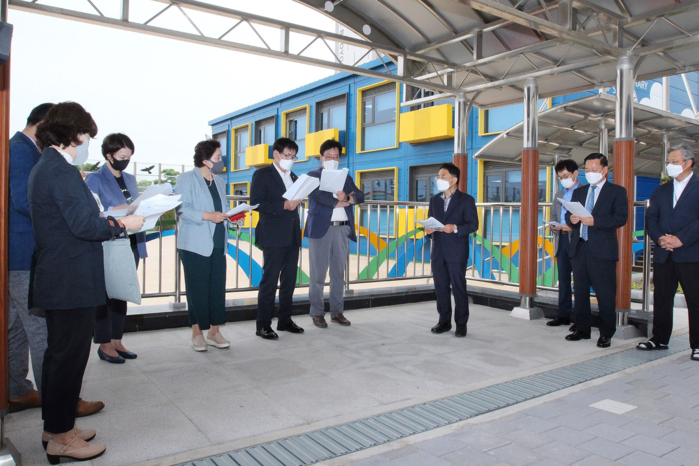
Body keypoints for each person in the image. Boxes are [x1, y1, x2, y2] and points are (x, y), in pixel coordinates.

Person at [29, 102, 144, 463]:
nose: (87, 142)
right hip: (69, 278)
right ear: (74, 134)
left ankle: (57, 428)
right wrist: (122, 224)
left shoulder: (48, 166)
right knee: (67, 360)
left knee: (61, 357)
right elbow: (83, 225)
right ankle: (62, 437)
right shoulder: (60, 171)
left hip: (63, 275)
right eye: (86, 135)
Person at [85, 133, 147, 363]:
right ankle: (104, 343)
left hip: (131, 240)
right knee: (105, 293)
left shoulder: (130, 179)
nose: (126, 161)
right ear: (109, 155)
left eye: (129, 157)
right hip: (109, 241)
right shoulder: (94, 179)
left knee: (123, 291)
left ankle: (117, 339)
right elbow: (92, 213)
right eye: (122, 157)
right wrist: (120, 209)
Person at [8, 103, 53, 413]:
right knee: (40, 329)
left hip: (17, 254)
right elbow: (25, 201)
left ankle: (17, 390)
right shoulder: (22, 150)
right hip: (25, 254)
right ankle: (56, 402)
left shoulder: (22, 148)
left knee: (16, 327)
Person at [640, 143, 699, 362]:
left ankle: (697, 345)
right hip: (664, 252)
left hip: (691, 253)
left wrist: (681, 239)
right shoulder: (661, 190)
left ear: (688, 163)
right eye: (668, 162)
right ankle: (660, 338)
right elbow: (651, 218)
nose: (670, 165)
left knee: (695, 299)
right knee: (662, 297)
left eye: (674, 162)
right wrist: (660, 238)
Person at [565, 153, 628, 348]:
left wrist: (595, 221)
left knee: (605, 293)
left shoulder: (617, 191)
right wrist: (571, 219)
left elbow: (621, 218)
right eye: (587, 169)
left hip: (602, 250)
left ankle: (606, 333)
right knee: (580, 292)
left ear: (604, 170)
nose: (590, 173)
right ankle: (582, 328)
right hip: (580, 247)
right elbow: (569, 216)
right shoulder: (579, 192)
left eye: (594, 169)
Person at [175, 139, 231, 352]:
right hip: (194, 243)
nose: (221, 161)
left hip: (218, 242)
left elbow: (223, 208)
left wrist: (232, 217)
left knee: (216, 288)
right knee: (197, 289)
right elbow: (182, 209)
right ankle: (197, 333)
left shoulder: (219, 182)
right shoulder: (186, 178)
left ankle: (214, 332)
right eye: (218, 157)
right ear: (205, 159)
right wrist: (208, 215)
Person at [305, 139, 364, 328]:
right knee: (318, 275)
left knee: (338, 273)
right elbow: (317, 196)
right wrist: (338, 202)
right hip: (321, 229)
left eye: (336, 157)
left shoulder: (345, 177)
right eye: (329, 156)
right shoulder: (313, 175)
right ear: (321, 157)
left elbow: (360, 196)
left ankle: (337, 312)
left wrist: (347, 197)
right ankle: (317, 313)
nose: (333, 159)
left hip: (342, 229)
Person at [250, 137, 305, 339]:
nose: (290, 159)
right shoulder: (262, 174)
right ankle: (263, 324)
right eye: (287, 155)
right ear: (276, 154)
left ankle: (285, 320)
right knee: (270, 281)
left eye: (293, 156)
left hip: (292, 235)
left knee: (289, 280)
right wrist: (283, 205)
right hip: (273, 235)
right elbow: (256, 202)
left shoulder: (294, 177)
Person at [424, 163, 478, 338]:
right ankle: (444, 321)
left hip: (457, 250)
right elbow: (431, 221)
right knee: (440, 287)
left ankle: (461, 324)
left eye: (443, 176)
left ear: (454, 180)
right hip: (438, 249)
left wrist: (454, 228)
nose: (438, 179)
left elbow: (473, 225)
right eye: (438, 176)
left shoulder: (466, 200)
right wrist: (428, 229)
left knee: (458, 287)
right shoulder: (434, 200)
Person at [547, 159, 580, 330]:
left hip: (578, 241)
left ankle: (581, 319)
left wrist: (572, 227)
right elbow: (554, 214)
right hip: (562, 239)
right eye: (560, 177)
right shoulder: (559, 194)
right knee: (564, 279)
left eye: (566, 176)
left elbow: (587, 217)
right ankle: (563, 314)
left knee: (580, 281)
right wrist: (554, 225)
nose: (563, 180)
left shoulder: (584, 192)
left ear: (575, 173)